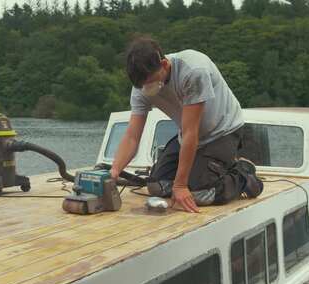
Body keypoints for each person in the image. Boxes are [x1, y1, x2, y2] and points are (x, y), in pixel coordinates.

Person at [110, 37, 263, 213]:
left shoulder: (192, 72)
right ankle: (208, 170)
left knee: (199, 193)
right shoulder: (141, 87)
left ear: (165, 65)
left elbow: (192, 132)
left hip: (223, 131)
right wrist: (114, 171)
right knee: (157, 187)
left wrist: (181, 186)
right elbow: (131, 136)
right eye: (143, 85)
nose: (147, 88)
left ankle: (244, 174)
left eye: (151, 81)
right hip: (189, 134)